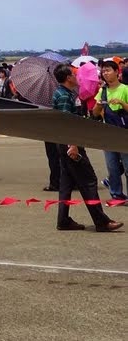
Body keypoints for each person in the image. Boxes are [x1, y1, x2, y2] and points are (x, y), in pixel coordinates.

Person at [51, 63, 123, 232]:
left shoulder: (65, 93)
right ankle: (101, 222)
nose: (76, 77)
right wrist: (74, 145)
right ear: (68, 78)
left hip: (64, 143)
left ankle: (63, 220)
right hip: (71, 144)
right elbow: (66, 123)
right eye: (73, 74)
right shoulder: (64, 96)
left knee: (66, 184)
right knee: (89, 180)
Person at [94, 59, 128, 201]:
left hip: (123, 133)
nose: (105, 73)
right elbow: (95, 113)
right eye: (103, 71)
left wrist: (122, 103)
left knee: (127, 166)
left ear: (117, 72)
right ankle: (116, 194)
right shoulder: (102, 91)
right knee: (112, 166)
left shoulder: (125, 89)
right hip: (108, 133)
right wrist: (99, 106)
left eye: (108, 70)